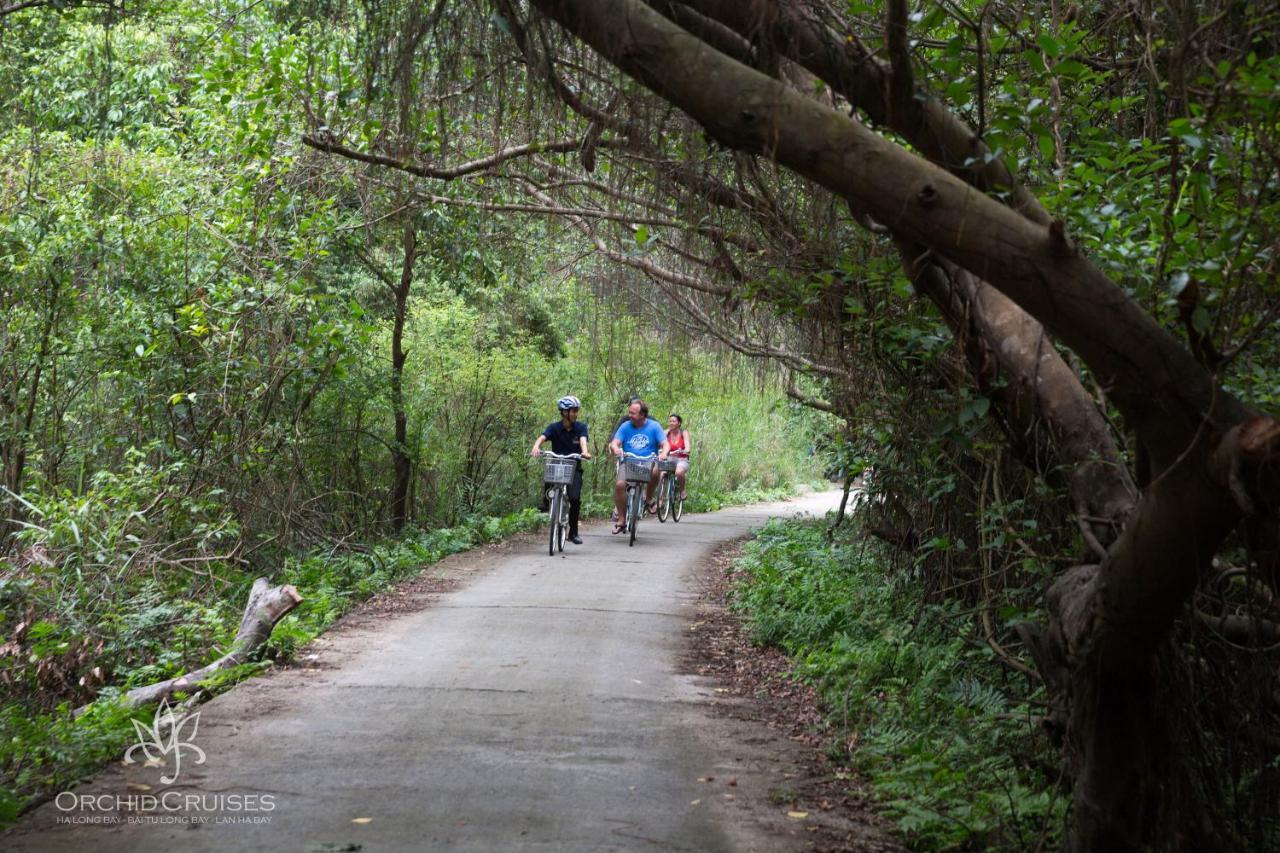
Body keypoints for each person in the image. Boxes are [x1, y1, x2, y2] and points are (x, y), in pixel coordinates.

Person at [530, 395, 591, 544]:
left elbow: (583, 440)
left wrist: (585, 451)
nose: (576, 414)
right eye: (573, 411)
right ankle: (547, 503)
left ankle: (573, 532)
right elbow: (543, 437)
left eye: (577, 411)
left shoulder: (581, 428)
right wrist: (536, 447)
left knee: (575, 499)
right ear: (565, 412)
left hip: (573, 466)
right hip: (557, 465)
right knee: (549, 476)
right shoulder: (554, 427)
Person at [608, 399, 669, 534]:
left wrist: (664, 453)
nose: (629, 415)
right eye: (629, 412)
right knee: (619, 485)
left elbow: (665, 444)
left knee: (655, 471)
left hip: (648, 461)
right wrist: (616, 448)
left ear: (642, 415)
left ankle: (648, 499)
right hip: (629, 461)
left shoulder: (654, 426)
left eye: (633, 413)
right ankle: (622, 519)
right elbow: (615, 442)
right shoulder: (625, 426)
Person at [665, 414, 691, 500]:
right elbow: (659, 443)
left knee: (679, 472)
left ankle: (682, 490)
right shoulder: (666, 433)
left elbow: (687, 447)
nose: (671, 423)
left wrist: (685, 450)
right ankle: (661, 499)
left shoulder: (684, 433)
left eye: (673, 421)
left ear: (679, 423)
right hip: (669, 459)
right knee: (661, 473)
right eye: (670, 421)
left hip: (682, 459)